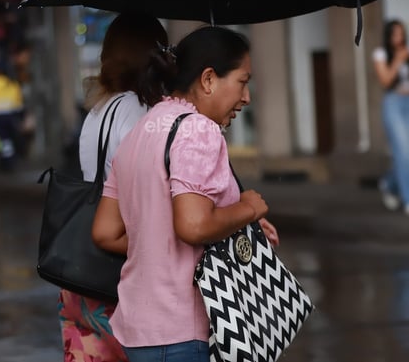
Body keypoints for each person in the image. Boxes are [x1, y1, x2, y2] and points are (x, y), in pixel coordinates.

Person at [92, 26, 280, 362]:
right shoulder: (198, 129)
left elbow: (106, 232)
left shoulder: (141, 130)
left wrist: (230, 224)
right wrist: (249, 209)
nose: (246, 97)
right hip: (183, 330)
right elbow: (192, 227)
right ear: (209, 79)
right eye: (242, 81)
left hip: (139, 331)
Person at [58, 11, 170, 362]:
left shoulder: (98, 111)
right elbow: (146, 194)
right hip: (123, 269)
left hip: (84, 277)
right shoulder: (141, 111)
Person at [373, 19, 409, 216]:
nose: (399, 38)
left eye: (401, 34)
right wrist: (398, 60)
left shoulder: (407, 53)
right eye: (395, 34)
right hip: (393, 103)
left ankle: (389, 183)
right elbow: (385, 80)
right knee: (402, 151)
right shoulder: (381, 53)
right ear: (388, 36)